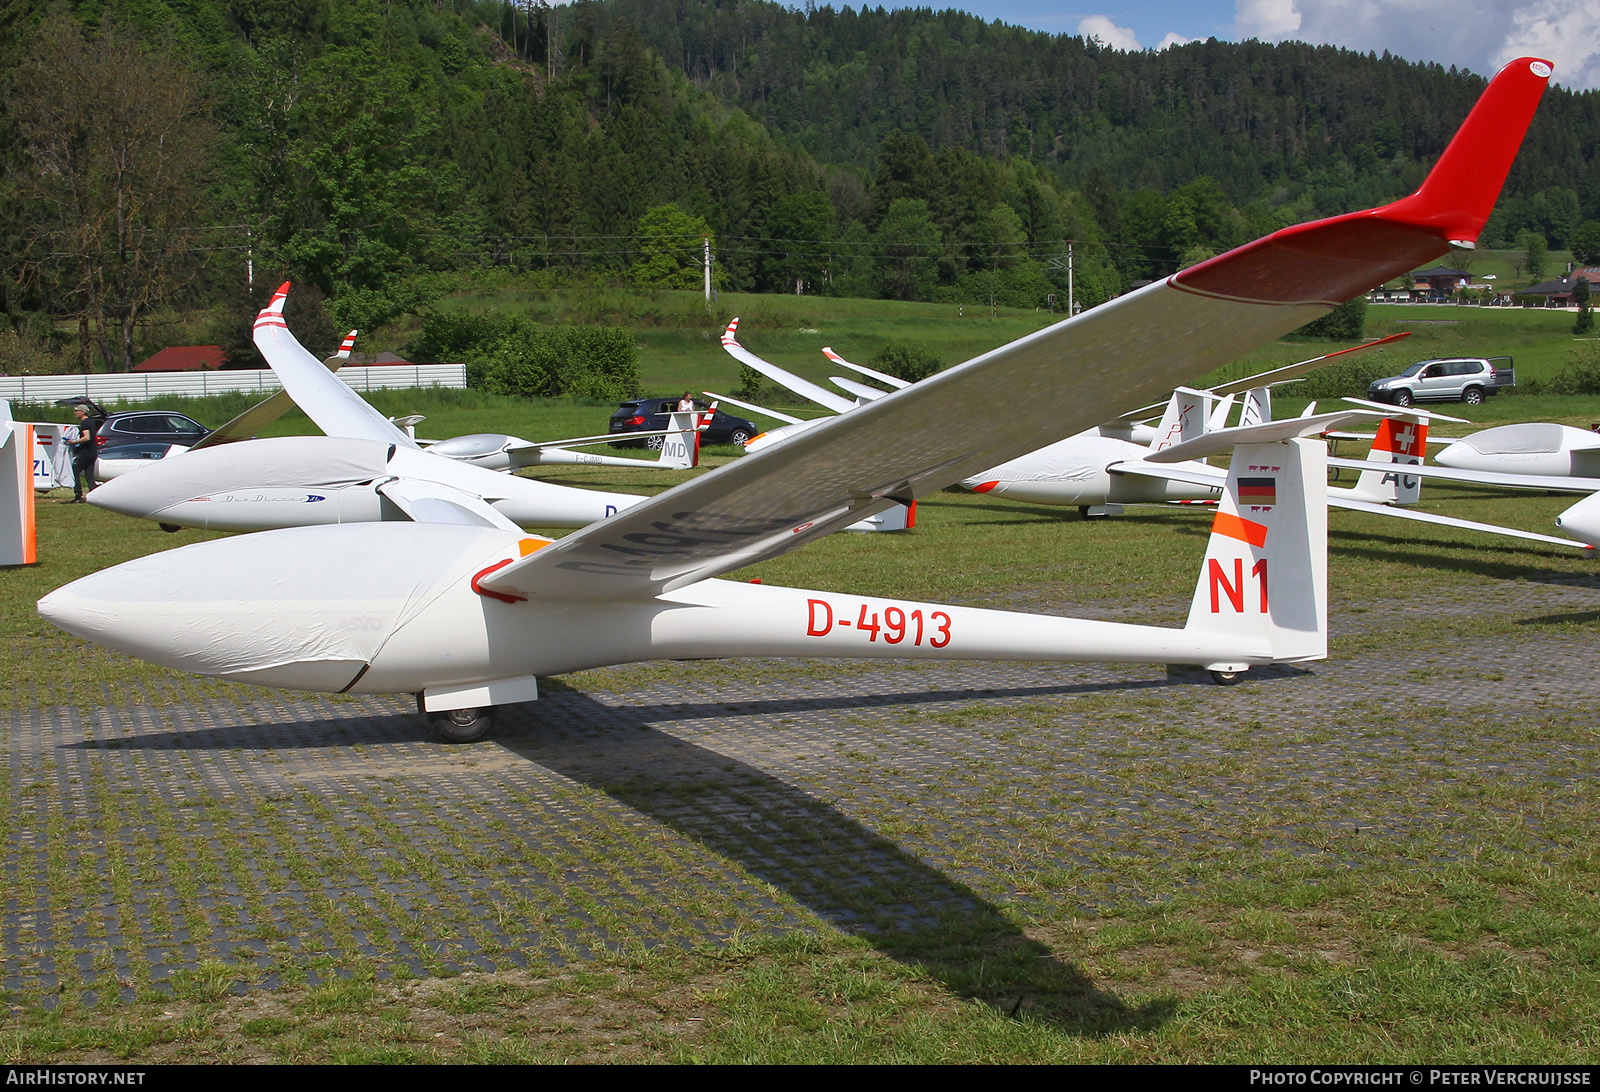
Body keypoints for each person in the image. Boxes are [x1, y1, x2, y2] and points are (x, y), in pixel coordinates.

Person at [68, 403, 103, 502]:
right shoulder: (91, 422)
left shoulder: (85, 423)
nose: (75, 413)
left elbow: (86, 437)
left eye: (76, 411)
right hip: (93, 452)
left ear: (82, 412)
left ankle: (78, 494)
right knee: (89, 474)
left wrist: (73, 442)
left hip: (86, 452)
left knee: (75, 470)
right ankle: (93, 494)